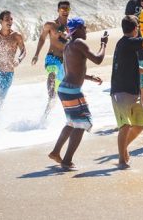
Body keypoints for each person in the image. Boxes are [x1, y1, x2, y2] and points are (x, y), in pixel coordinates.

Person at [48, 18, 106, 171]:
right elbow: (98, 59)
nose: (86, 30)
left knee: (72, 122)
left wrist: (89, 77)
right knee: (83, 122)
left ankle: (55, 152)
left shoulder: (68, 45)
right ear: (78, 29)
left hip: (64, 89)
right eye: (84, 27)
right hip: (72, 90)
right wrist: (104, 43)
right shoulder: (79, 42)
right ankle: (67, 161)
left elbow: (71, 70)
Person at [110, 16, 143, 169]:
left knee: (139, 124)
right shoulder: (126, 42)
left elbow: (133, 67)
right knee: (125, 126)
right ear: (135, 29)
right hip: (120, 91)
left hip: (133, 92)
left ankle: (123, 150)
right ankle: (122, 158)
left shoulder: (127, 45)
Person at [31, 1, 70, 109]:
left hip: (65, 62)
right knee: (52, 72)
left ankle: (45, 118)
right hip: (52, 57)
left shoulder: (71, 26)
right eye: (62, 9)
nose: (65, 11)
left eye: (67, 9)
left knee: (58, 92)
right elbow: (42, 38)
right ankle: (50, 96)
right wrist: (36, 54)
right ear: (58, 10)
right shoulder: (50, 25)